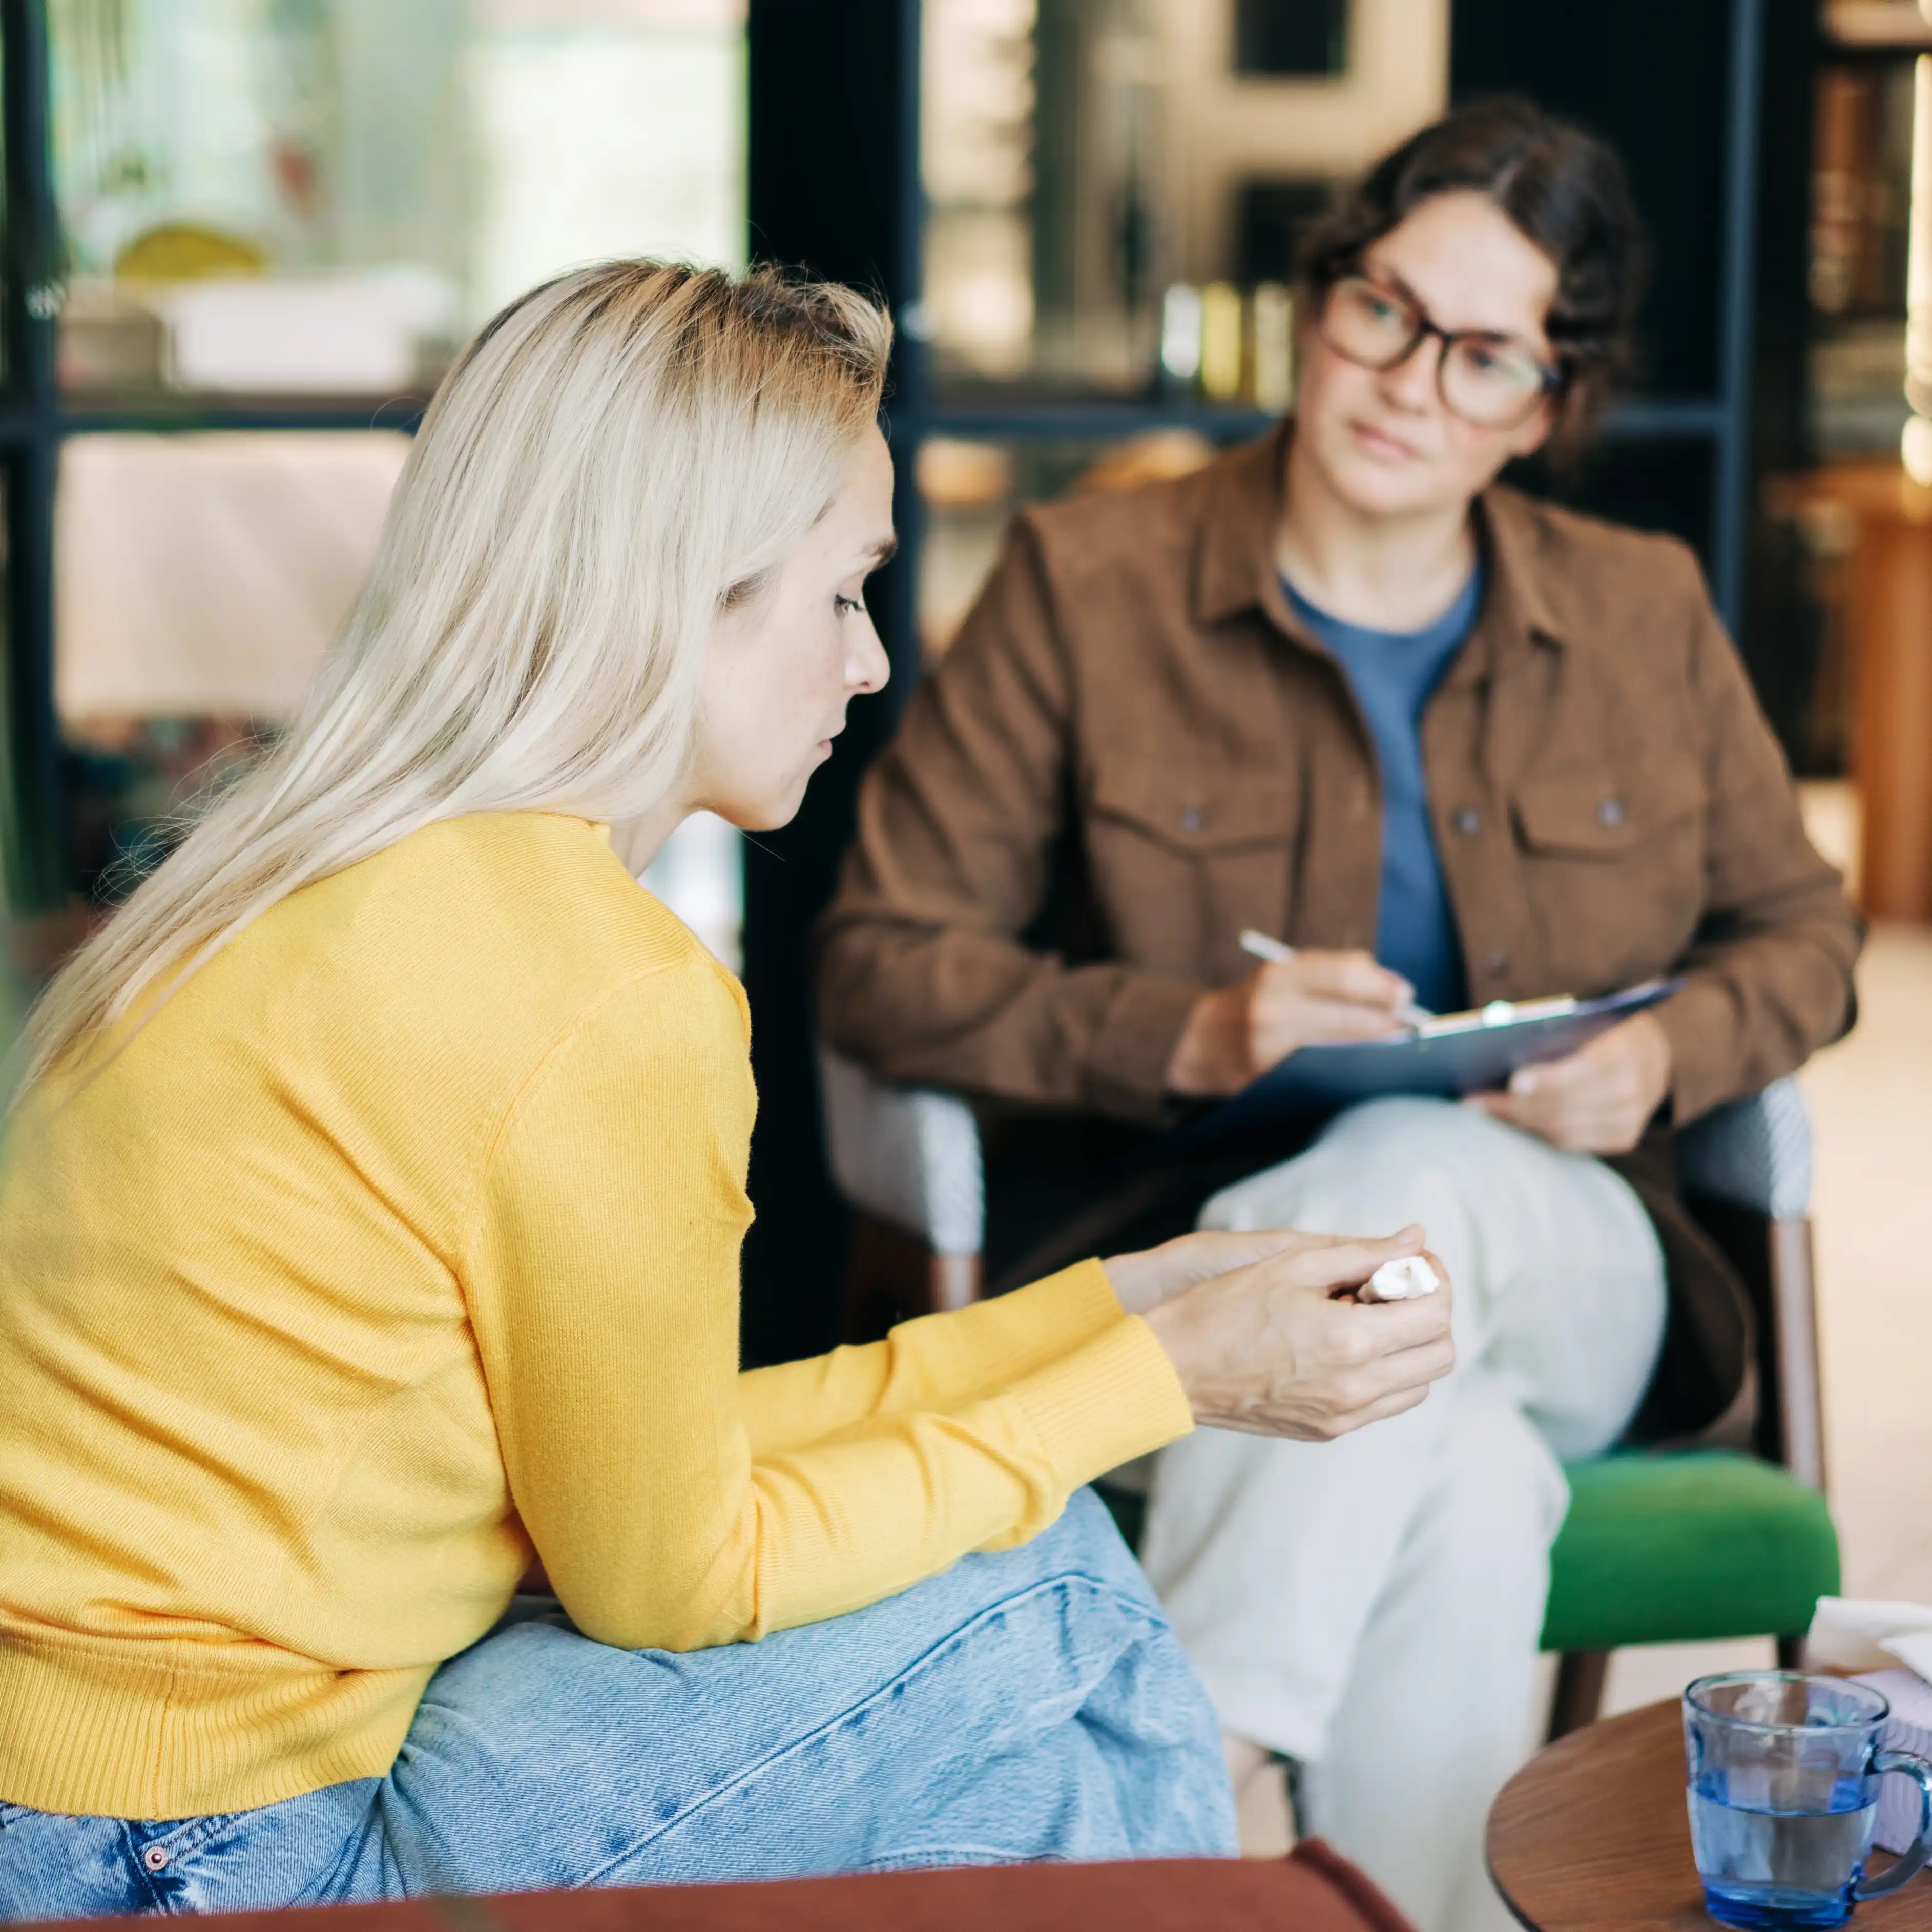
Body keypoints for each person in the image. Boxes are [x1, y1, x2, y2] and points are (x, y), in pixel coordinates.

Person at [0, 262, 1459, 1921]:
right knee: (1045, 1591)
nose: (869, 667)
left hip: (76, 1803)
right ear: (687, 591)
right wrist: (1159, 1388)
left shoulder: (297, 880)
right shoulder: (601, 988)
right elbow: (669, 1576)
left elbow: (638, 1473)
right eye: (844, 596)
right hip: (203, 1852)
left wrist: (1110, 1315)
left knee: (1020, 1670)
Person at [815, 99, 1862, 1932]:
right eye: (1384, 310)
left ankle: (1190, 1778)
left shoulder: (1639, 612)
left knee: (1404, 1163)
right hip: (1189, 1293)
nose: (1407, 381)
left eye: (1481, 356)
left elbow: (1805, 936)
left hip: (1575, 1267)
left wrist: (1661, 1058)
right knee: (1454, 1489)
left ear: (1547, 401)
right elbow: (881, 962)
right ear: (1321, 301)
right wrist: (1192, 1036)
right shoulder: (1092, 583)